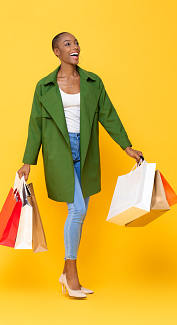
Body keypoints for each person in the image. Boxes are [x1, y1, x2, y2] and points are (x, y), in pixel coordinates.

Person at [17, 32, 143, 298]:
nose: (74, 47)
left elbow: (108, 114)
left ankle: (66, 274)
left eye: (76, 43)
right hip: (58, 153)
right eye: (67, 44)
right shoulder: (45, 86)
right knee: (77, 210)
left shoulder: (92, 82)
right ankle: (71, 276)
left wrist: (126, 146)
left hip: (85, 152)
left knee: (80, 212)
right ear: (56, 52)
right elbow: (35, 125)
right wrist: (28, 161)